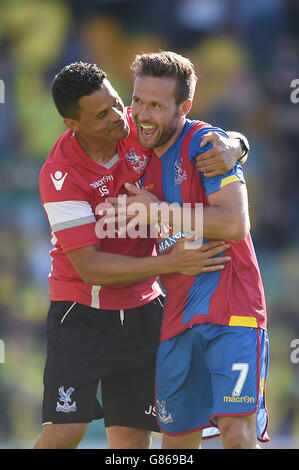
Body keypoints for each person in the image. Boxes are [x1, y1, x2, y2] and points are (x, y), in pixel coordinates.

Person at [35, 61, 248, 449]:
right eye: (102, 114)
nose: (120, 117)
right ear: (73, 124)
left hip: (144, 310)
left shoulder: (141, 131)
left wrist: (236, 145)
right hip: (80, 312)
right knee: (65, 431)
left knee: (133, 440)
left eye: (118, 102)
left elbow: (197, 134)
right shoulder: (59, 175)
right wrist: (170, 263)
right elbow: (90, 267)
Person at [107, 51, 269, 449]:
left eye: (156, 105)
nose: (142, 114)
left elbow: (234, 223)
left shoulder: (206, 146)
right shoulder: (134, 145)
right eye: (137, 100)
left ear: (185, 107)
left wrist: (233, 145)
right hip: (176, 318)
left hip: (232, 308)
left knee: (236, 430)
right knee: (177, 444)